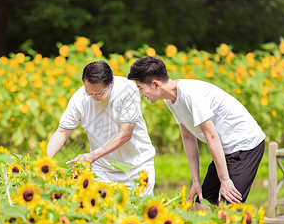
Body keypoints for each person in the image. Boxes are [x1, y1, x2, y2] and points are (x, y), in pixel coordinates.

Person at [127, 56, 265, 208]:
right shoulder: (170, 99)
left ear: (155, 84)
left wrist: (224, 179)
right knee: (200, 203)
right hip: (224, 148)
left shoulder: (189, 94)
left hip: (245, 145)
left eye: (140, 87)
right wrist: (195, 182)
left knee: (228, 210)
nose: (140, 93)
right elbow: (187, 137)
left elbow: (212, 136)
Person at [47, 61, 156, 195]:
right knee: (101, 213)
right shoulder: (79, 98)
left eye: (98, 94)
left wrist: (92, 156)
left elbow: (126, 133)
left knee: (138, 212)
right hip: (102, 169)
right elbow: (62, 132)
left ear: (111, 84)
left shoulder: (128, 90)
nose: (93, 98)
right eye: (89, 92)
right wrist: (45, 160)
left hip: (137, 167)